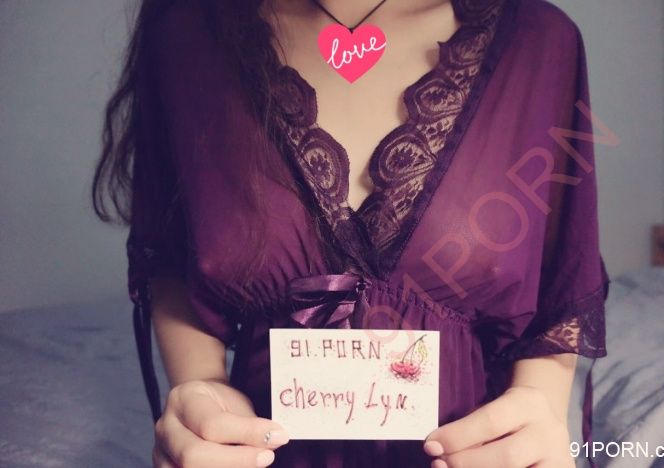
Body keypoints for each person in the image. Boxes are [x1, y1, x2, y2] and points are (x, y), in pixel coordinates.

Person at [92, 0, 610, 466]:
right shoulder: (187, 34)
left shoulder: (540, 39)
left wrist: (540, 407)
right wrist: (200, 385)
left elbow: (562, 274)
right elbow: (171, 252)